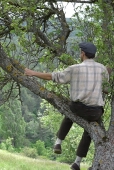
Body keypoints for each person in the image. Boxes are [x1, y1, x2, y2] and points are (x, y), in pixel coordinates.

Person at [24, 42, 109, 170]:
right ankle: (77, 163)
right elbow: (107, 78)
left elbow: (54, 77)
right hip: (96, 112)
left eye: (80, 52)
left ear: (83, 54)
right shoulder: (102, 68)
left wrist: (33, 73)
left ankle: (58, 143)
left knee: (70, 112)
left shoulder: (74, 68)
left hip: (79, 108)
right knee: (89, 129)